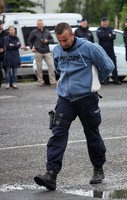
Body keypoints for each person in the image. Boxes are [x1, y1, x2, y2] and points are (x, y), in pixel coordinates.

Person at [33, 22, 114, 190]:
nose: (63, 44)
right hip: (65, 99)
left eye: (65, 40)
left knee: (92, 133)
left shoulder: (89, 47)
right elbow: (59, 69)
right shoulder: (56, 50)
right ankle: (51, 174)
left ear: (72, 35)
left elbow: (108, 66)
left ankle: (98, 169)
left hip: (87, 99)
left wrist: (94, 82)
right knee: (58, 133)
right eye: (60, 41)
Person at [27, 19, 57, 87]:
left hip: (47, 51)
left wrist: (47, 41)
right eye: (39, 24)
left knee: (51, 66)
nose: (40, 25)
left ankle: (53, 82)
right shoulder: (34, 32)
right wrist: (32, 47)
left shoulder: (47, 31)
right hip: (38, 51)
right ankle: (41, 82)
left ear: (43, 24)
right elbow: (29, 41)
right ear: (37, 25)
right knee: (39, 68)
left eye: (41, 24)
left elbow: (52, 40)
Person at [97, 17, 121, 85]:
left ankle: (116, 80)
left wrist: (105, 37)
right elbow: (100, 37)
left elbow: (114, 36)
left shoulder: (111, 29)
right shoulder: (99, 29)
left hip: (111, 51)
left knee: (113, 65)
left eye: (106, 22)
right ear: (101, 23)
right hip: (103, 51)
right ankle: (105, 80)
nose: (105, 23)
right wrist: (108, 36)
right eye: (103, 22)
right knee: (104, 65)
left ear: (108, 22)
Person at [0, 20, 7, 88]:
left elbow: (8, 42)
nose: (0, 25)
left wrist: (4, 49)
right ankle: (0, 82)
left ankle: (9, 82)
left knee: (6, 68)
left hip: (5, 54)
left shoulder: (6, 33)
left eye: (1, 24)